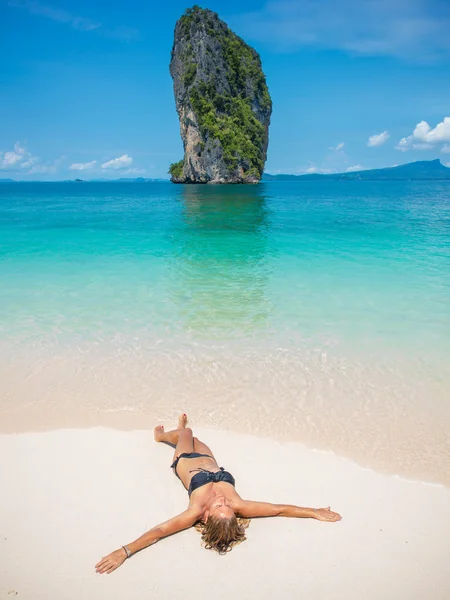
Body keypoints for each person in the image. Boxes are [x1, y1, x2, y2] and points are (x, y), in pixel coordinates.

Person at [95, 414, 341, 574]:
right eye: (227, 507)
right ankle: (177, 431)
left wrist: (125, 551)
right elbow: (279, 509)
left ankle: (162, 437)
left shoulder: (195, 511)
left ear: (206, 517)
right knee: (196, 437)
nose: (223, 501)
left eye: (218, 507)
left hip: (185, 459)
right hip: (211, 460)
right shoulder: (239, 504)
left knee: (187, 435)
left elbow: (159, 531)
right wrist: (313, 512)